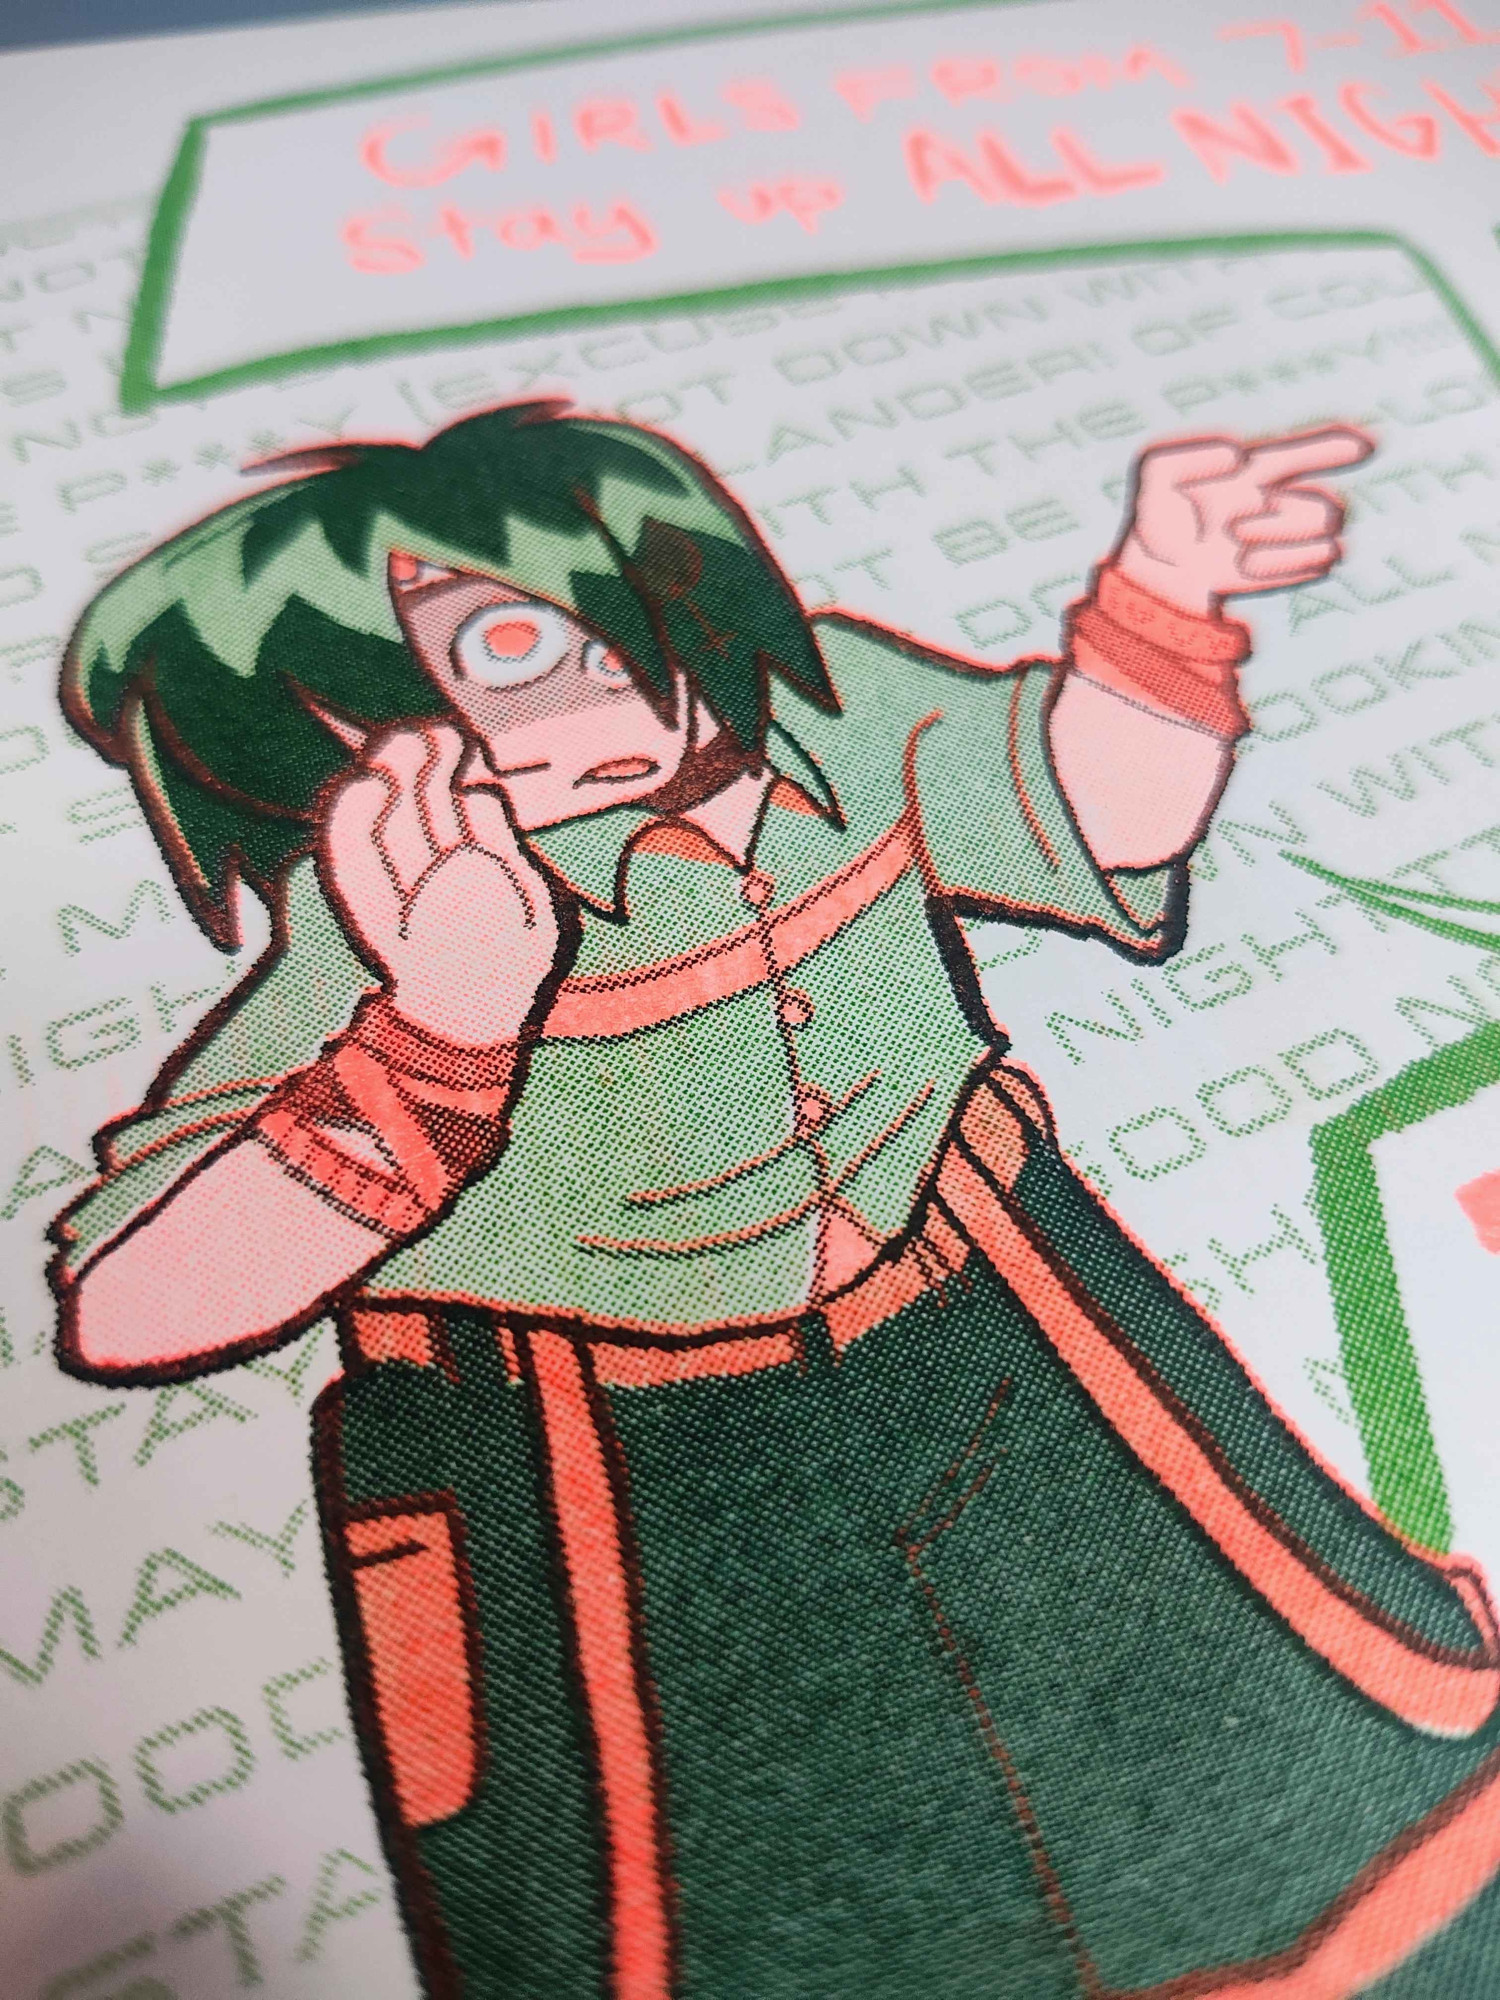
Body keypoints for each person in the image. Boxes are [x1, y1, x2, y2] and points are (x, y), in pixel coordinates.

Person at [49, 401, 1500, 1998]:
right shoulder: (389, 931)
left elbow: (1094, 808)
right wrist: (439, 1031)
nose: (526, 731)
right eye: (396, 719)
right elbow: (133, 1311)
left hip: (1013, 1341)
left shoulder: (837, 717)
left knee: (1295, 1786)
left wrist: (1165, 596)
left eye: (522, 642)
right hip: (629, 1480)